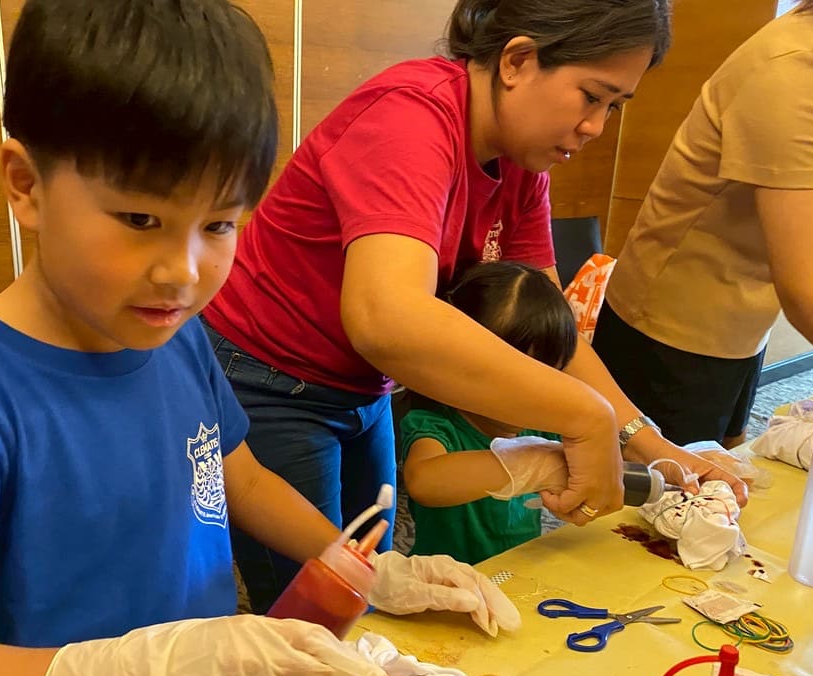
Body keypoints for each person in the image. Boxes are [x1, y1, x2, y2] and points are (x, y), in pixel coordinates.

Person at [0, 1, 520, 676]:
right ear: (26, 185)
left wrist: (368, 572)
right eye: (141, 219)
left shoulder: (176, 339)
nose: (184, 272)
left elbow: (242, 479)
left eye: (220, 225)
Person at [202, 0, 746, 613]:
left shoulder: (520, 163)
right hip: (268, 377)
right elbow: (387, 318)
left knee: (374, 566)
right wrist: (583, 415)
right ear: (517, 61)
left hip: (362, 386)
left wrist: (649, 442)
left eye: (614, 106)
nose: (596, 127)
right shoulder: (410, 117)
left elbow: (552, 333)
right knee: (321, 600)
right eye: (592, 96)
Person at [594, 0, 813, 448]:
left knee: (732, 461)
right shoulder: (795, 71)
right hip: (677, 324)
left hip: (749, 307)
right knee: (672, 480)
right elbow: (807, 289)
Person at [401, 261, 576, 565]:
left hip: (516, 572)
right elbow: (424, 482)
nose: (537, 394)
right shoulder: (437, 426)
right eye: (521, 378)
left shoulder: (540, 426)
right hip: (445, 581)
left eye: (550, 377)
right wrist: (534, 463)